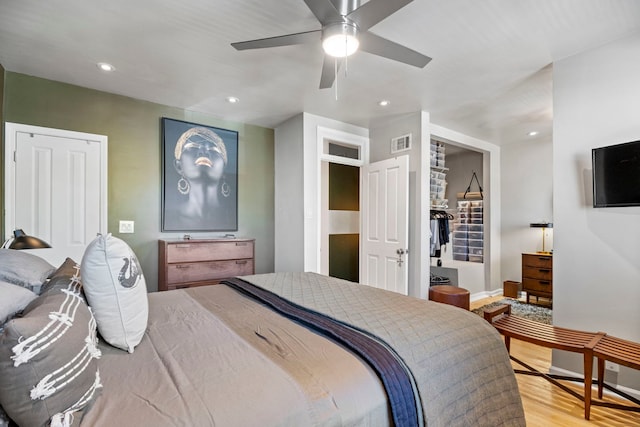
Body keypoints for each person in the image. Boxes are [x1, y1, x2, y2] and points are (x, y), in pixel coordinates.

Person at [168, 126, 234, 230]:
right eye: (193, 147)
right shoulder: (170, 218)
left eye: (213, 150)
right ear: (179, 166)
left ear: (223, 169)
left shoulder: (231, 218)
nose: (204, 152)